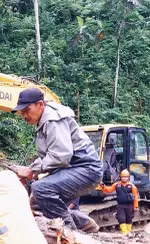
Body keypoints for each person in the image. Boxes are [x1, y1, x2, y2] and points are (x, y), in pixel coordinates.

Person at [9, 88, 101, 233]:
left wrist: (32, 169)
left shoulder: (52, 120)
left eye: (27, 110)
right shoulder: (44, 120)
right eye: (22, 112)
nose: (24, 116)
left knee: (41, 189)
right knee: (36, 202)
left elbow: (61, 155)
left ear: (40, 104)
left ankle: (71, 235)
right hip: (75, 168)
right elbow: (52, 155)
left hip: (86, 169)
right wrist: (33, 170)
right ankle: (84, 223)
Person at [100, 169, 139, 235]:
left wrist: (135, 206)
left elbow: (135, 197)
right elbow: (109, 190)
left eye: (126, 177)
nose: (124, 178)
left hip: (129, 205)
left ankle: (128, 231)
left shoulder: (132, 186)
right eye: (123, 177)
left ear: (128, 177)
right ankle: (125, 232)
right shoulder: (117, 185)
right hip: (120, 205)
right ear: (120, 177)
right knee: (121, 219)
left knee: (129, 219)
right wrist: (103, 186)